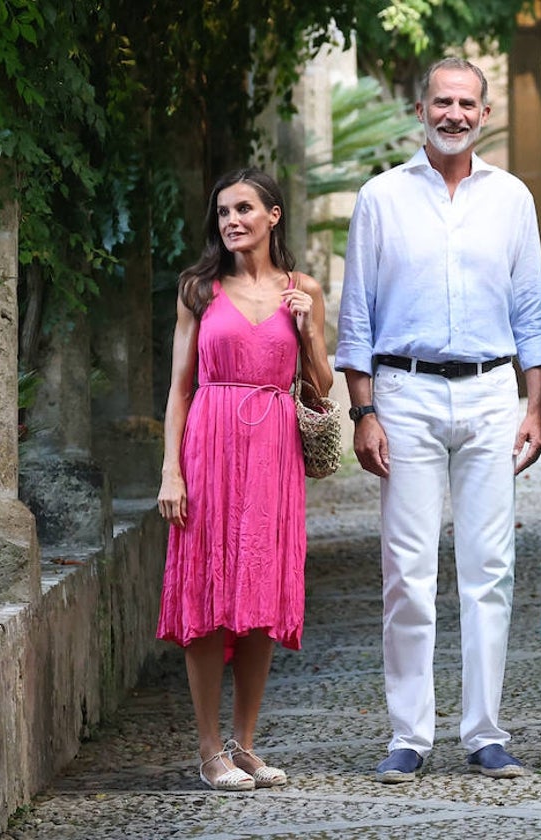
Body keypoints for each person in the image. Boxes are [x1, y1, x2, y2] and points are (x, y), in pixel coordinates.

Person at [336, 56, 541, 784]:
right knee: (407, 570)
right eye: (442, 102)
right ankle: (410, 735)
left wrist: (535, 404)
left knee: (491, 568)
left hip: (492, 392)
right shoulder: (380, 198)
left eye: (467, 103)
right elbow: (356, 315)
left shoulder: (513, 198)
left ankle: (486, 732)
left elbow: (531, 310)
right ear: (420, 109)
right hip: (407, 392)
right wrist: (363, 412)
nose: (454, 113)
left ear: (483, 115)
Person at [157, 168, 334, 791]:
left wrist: (309, 324)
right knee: (207, 596)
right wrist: (171, 471)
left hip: (274, 449)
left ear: (273, 216)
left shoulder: (302, 288)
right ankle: (208, 749)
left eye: (244, 209)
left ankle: (244, 743)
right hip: (209, 443)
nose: (231, 220)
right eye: (223, 211)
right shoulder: (199, 290)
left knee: (260, 598)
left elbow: (320, 389)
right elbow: (180, 390)